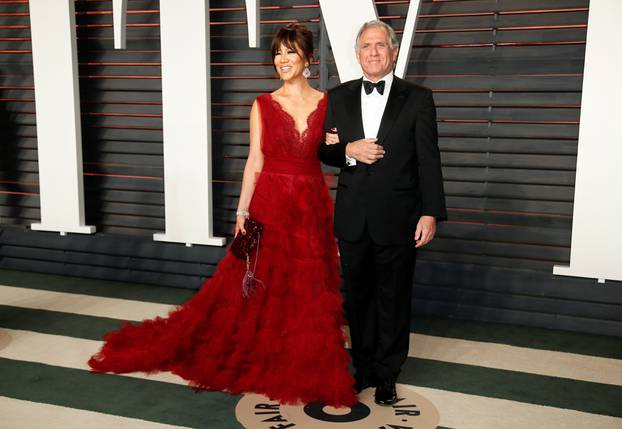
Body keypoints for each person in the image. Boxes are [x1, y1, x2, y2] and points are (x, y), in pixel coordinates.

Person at [88, 23, 357, 408]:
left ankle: (302, 357)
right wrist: (242, 210)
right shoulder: (262, 104)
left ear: (308, 59)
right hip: (270, 203)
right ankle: (263, 352)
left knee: (308, 286)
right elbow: (254, 162)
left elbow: (333, 154)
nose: (282, 60)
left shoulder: (329, 103)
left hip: (310, 206)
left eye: (290, 52)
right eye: (277, 53)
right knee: (260, 283)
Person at [319, 20, 447, 405]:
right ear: (357, 54)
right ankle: (365, 370)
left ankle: (389, 374)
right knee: (358, 299)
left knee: (393, 299)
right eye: (366, 47)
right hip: (353, 217)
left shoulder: (418, 98)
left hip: (401, 216)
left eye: (380, 46)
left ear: (392, 52)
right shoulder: (337, 97)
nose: (373, 52)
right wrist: (348, 152)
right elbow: (324, 151)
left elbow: (429, 159)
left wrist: (430, 213)